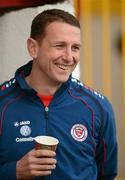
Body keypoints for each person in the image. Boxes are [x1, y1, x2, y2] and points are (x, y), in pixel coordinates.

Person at [0, 9, 117, 180]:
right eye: (60, 46)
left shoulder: (97, 107)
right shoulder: (3, 103)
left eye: (75, 47)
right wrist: (14, 171)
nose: (69, 57)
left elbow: (107, 174)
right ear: (33, 48)